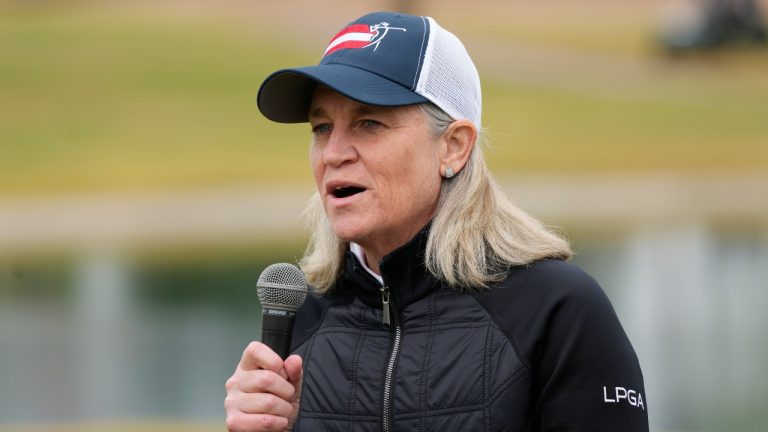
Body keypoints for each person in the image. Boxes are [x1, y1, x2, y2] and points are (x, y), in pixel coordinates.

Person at [225, 11, 649, 432]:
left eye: (368, 123)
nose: (334, 153)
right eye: (321, 127)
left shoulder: (556, 310)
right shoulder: (304, 318)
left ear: (453, 147)